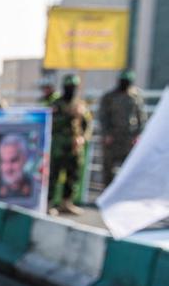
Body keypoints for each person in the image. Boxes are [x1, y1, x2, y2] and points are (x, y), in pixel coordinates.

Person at [48, 74, 92, 215]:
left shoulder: (80, 104)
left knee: (73, 175)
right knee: (54, 175)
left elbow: (87, 124)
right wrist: (67, 115)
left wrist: (83, 138)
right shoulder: (56, 104)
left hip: (74, 147)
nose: (70, 90)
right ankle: (49, 204)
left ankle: (66, 203)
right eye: (68, 87)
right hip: (58, 147)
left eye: (73, 87)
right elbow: (51, 123)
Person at [99, 69, 147, 187]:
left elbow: (141, 116)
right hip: (113, 137)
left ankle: (125, 195)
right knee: (108, 167)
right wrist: (106, 134)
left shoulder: (135, 96)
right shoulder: (109, 97)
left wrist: (137, 135)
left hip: (129, 138)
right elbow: (103, 116)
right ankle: (107, 193)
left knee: (129, 168)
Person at [0, 134, 33, 199]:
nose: (8, 168)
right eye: (3, 161)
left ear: (25, 159)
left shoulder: (34, 188)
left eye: (13, 161)